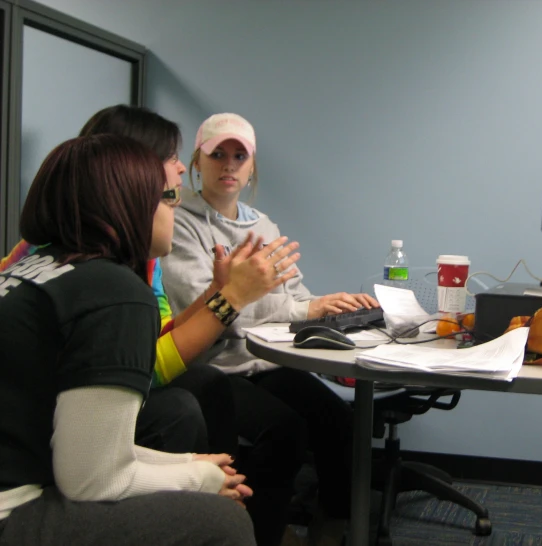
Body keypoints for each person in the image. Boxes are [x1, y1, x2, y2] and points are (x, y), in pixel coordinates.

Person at [0, 134, 262, 545]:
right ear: (127, 203)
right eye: (166, 199)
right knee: (222, 521)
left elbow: (83, 439)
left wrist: (188, 462)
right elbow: (92, 478)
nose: (173, 211)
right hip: (11, 509)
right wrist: (198, 478)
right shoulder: (114, 290)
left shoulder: (35, 267)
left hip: (28, 468)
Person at [0, 105, 302, 461]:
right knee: (179, 410)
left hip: (60, 406)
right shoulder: (104, 280)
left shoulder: (136, 259)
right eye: (169, 159)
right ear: (122, 169)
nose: (178, 171)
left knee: (211, 387)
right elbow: (146, 366)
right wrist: (231, 298)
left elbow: (154, 335)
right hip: (37, 438)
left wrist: (215, 292)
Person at [160, 113, 380, 546]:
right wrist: (299, 310)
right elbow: (206, 310)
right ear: (197, 162)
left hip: (264, 359)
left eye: (239, 156)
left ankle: (332, 527)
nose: (228, 165)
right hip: (210, 363)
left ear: (252, 166)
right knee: (284, 430)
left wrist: (323, 309)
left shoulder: (263, 225)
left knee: (339, 421)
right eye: (217, 154)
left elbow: (294, 296)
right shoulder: (178, 220)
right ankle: (262, 533)